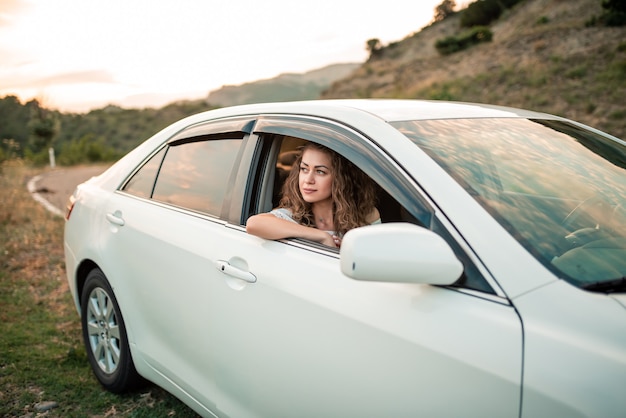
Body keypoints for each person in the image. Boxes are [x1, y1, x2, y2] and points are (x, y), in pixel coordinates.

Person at [246, 142, 380, 248]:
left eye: (320, 171)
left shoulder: (366, 215)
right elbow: (254, 223)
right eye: (304, 169)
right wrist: (321, 236)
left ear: (342, 179)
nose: (308, 180)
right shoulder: (294, 215)